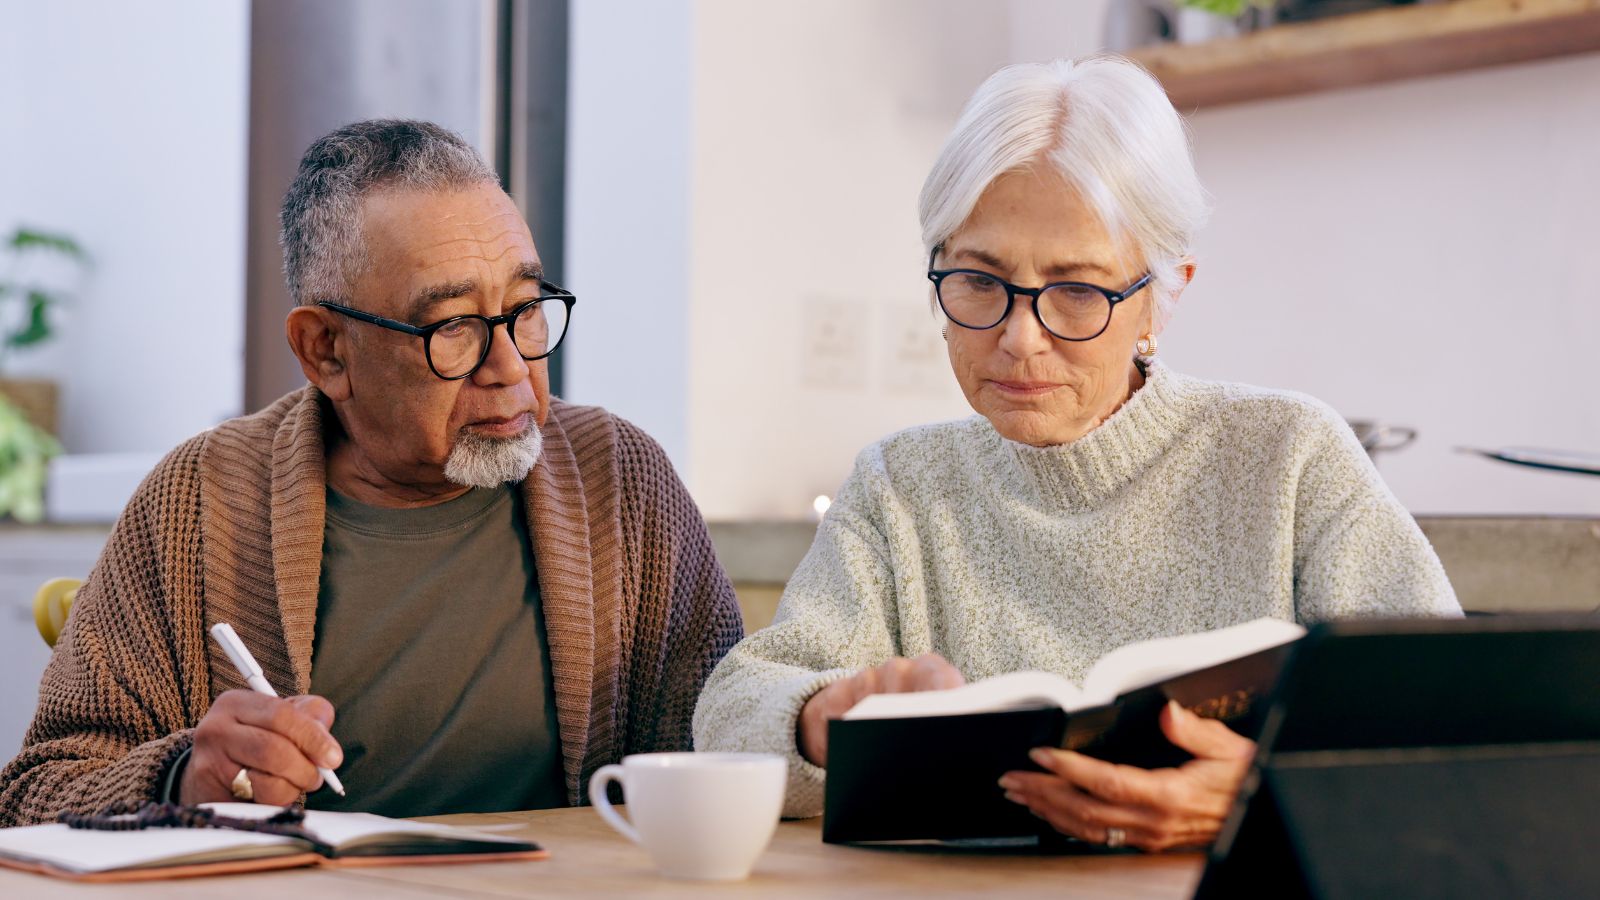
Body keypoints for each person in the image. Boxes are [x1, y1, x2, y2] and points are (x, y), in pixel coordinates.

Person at [693, 57, 1460, 852]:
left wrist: (1260, 797)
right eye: (978, 282)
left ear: (1163, 295)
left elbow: (1456, 728)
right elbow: (730, 711)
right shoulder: (902, 485)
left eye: (1078, 292)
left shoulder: (1290, 458)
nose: (1019, 340)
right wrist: (820, 720)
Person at [0, 120, 743, 825]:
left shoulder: (620, 481)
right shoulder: (199, 503)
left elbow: (732, 746)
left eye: (526, 309)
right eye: (453, 327)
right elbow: (32, 796)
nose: (512, 369)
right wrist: (183, 778)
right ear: (325, 350)